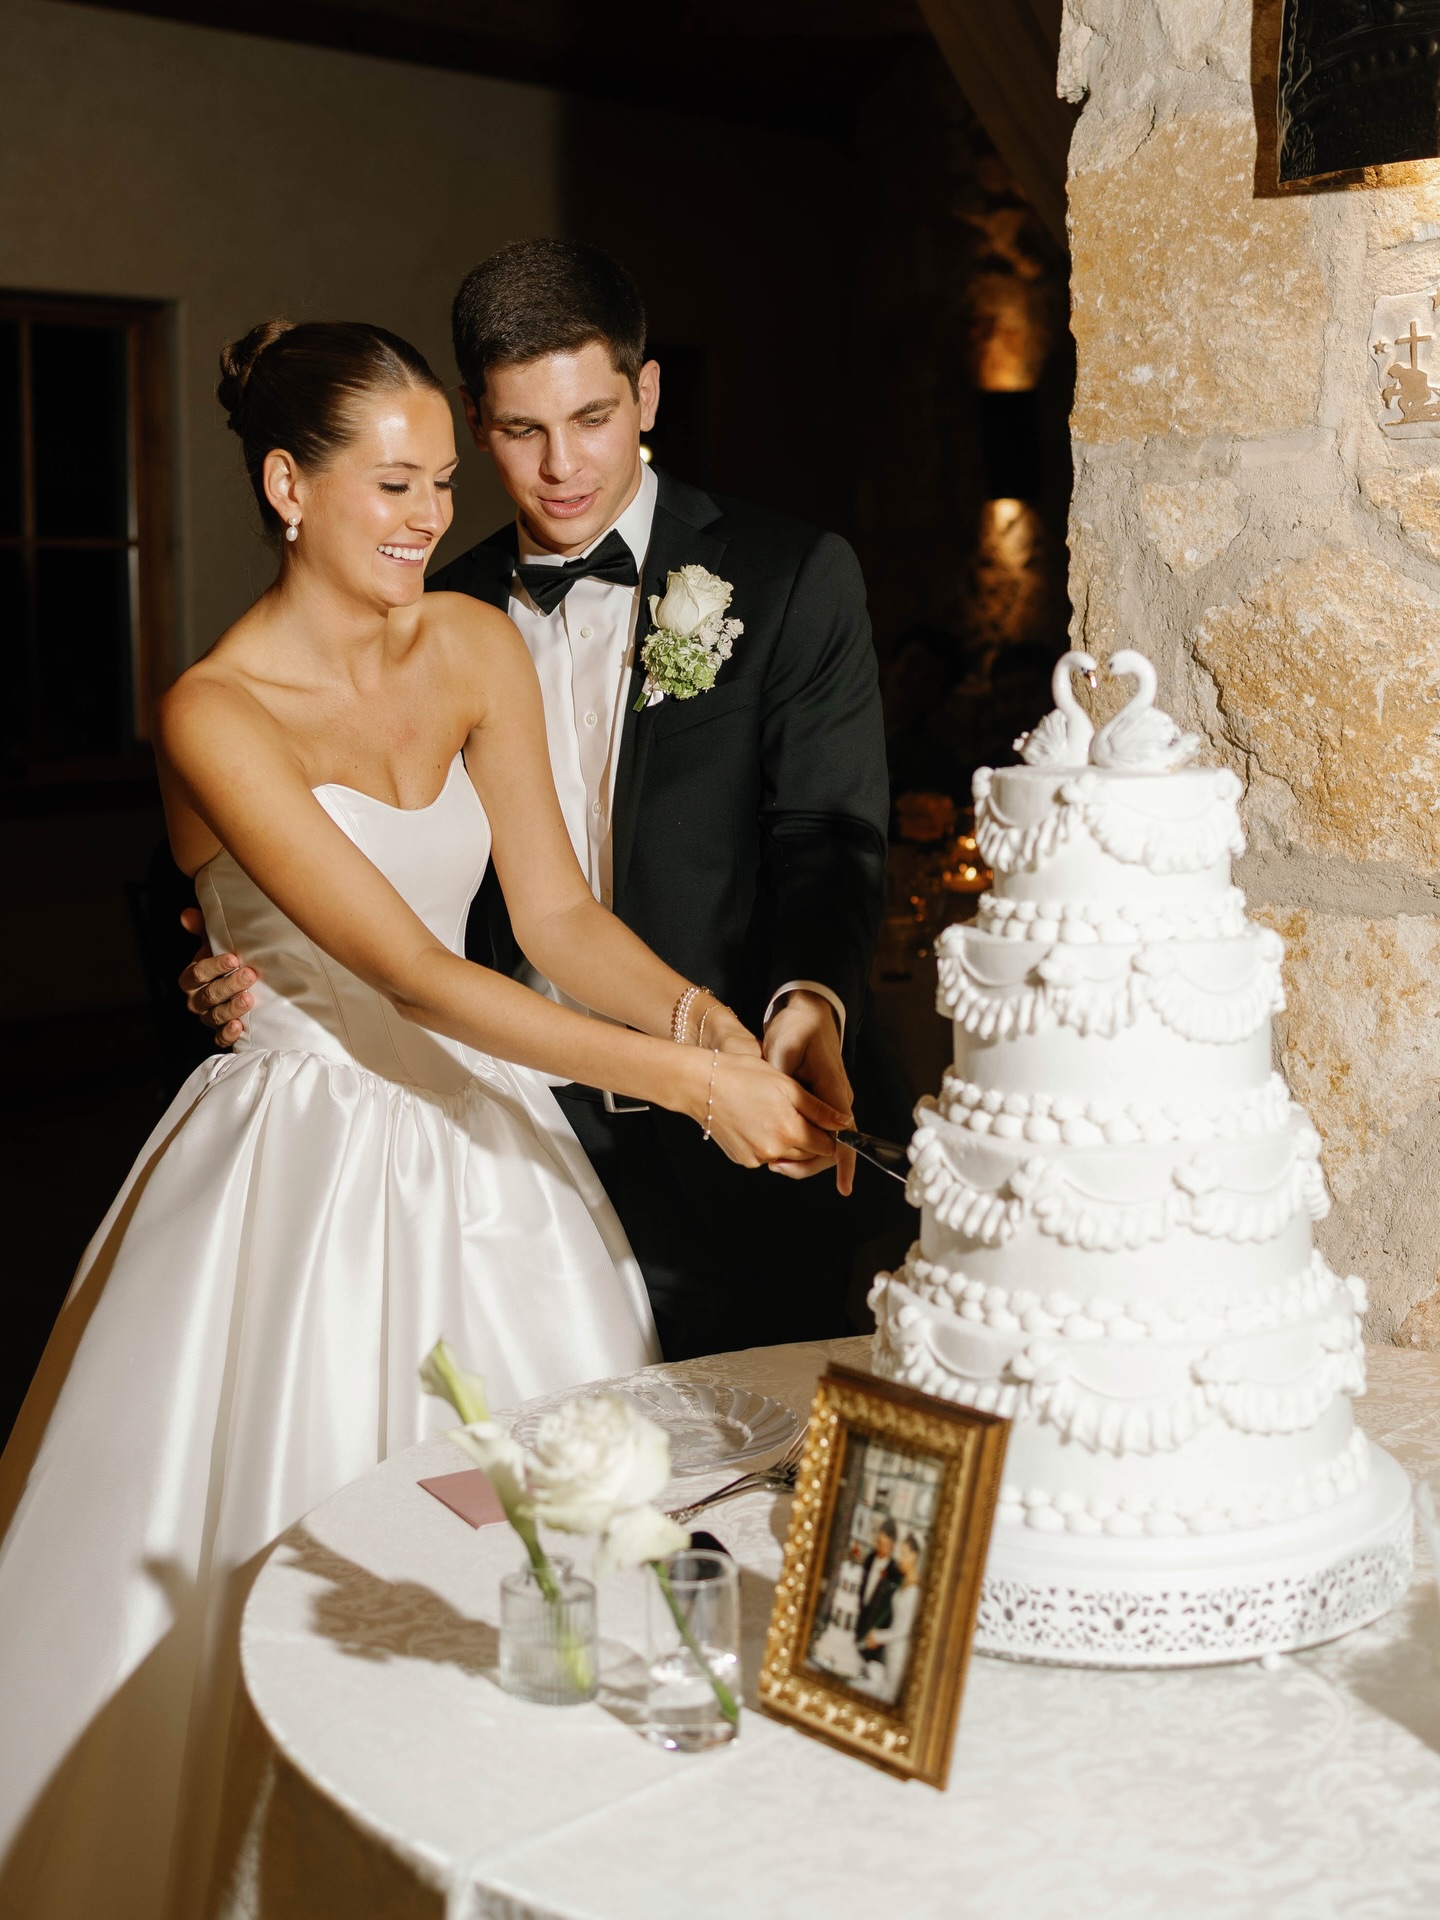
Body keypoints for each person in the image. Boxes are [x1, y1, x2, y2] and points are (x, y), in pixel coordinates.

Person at [0, 320, 846, 1920]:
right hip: (302, 1161)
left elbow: (555, 916)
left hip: (488, 1146)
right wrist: (684, 1088)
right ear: (284, 483)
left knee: (563, 1544)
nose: (423, 516)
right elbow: (403, 971)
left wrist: (696, 1022)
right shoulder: (212, 710)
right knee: (292, 1539)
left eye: (438, 483)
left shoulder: (470, 644)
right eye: (389, 484)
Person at [181, 240, 908, 1358]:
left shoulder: (778, 575)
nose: (559, 467)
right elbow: (390, 958)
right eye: (520, 433)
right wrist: (243, 962)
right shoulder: (414, 611)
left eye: (592, 420)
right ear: (482, 420)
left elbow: (576, 906)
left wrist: (723, 1028)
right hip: (443, 1124)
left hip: (673, 1127)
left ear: (646, 394)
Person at [861, 1532, 923, 1704]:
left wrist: (878, 1636)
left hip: (900, 1654)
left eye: (904, 1554)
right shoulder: (904, 1584)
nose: (900, 1558)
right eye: (900, 1553)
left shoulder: (915, 1592)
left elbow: (903, 1630)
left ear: (915, 1556)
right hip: (890, 1651)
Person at [853, 1517, 902, 1665]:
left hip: (874, 1636)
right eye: (878, 1542)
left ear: (892, 1545)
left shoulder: (895, 1574)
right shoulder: (869, 1559)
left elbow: (889, 1612)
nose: (879, 1547)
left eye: (884, 1544)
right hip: (857, 1624)